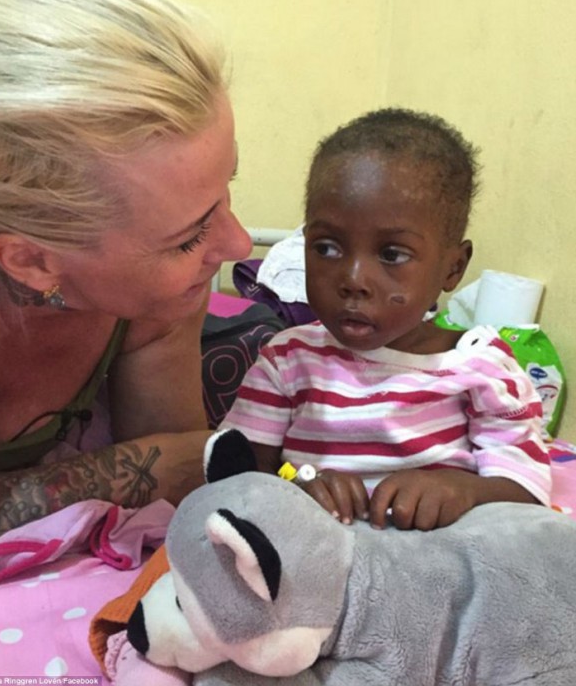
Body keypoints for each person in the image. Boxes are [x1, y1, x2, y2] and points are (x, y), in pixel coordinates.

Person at [0, 0, 253, 547]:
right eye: (188, 236)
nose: (237, 244)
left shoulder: (162, 298)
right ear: (31, 260)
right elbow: (171, 462)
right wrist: (116, 473)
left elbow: (184, 488)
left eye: (228, 186)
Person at [221, 109, 551, 531]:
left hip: (438, 559)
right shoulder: (286, 361)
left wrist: (463, 490)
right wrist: (299, 484)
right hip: (317, 553)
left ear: (452, 268)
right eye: (326, 248)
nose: (354, 280)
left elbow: (526, 488)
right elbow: (242, 473)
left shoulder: (481, 368)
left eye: (392, 254)